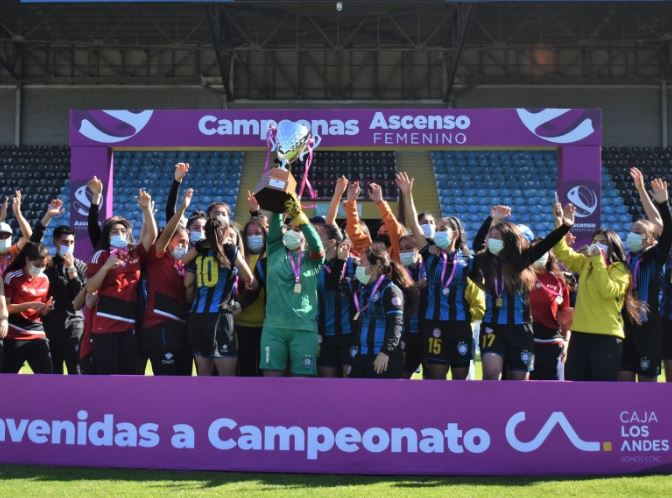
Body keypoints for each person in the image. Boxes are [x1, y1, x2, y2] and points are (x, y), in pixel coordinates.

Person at [470, 204, 573, 381]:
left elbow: (545, 244)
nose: (491, 239)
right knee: (491, 373)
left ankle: (514, 409)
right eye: (491, 236)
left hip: (521, 329)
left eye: (497, 236)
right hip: (492, 327)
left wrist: (565, 225)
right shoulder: (484, 261)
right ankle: (488, 408)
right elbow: (477, 243)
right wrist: (492, 219)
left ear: (508, 240)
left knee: (519, 380)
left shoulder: (520, 262)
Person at [397, 172, 482, 381]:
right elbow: (415, 226)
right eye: (438, 228)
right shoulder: (430, 255)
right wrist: (407, 195)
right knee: (435, 378)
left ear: (455, 233)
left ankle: (460, 414)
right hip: (433, 323)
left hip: (460, 324)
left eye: (443, 228)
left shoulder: (468, 260)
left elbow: (485, 285)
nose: (439, 231)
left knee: (461, 380)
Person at [552, 203, 645, 381]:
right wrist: (560, 224)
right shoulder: (586, 263)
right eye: (594, 241)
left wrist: (598, 260)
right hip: (580, 334)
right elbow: (562, 253)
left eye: (602, 242)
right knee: (576, 385)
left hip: (606, 337)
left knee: (601, 390)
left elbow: (607, 291)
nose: (596, 245)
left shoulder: (620, 269)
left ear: (613, 246)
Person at [86, 188, 157, 374]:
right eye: (114, 231)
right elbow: (91, 286)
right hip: (105, 324)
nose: (119, 234)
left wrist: (146, 209)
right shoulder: (101, 255)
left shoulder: (134, 253)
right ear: (107, 236)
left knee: (127, 374)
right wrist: (106, 266)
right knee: (106, 375)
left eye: (123, 231)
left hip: (129, 322)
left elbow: (152, 235)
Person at [259, 197, 324, 377]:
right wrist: (279, 202)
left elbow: (317, 244)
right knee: (271, 381)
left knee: (303, 383)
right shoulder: (275, 251)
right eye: (290, 228)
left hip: (304, 329)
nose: (292, 232)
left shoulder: (314, 260)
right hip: (274, 328)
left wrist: (299, 215)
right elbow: (274, 227)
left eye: (297, 229)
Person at [619, 170, 672, 382]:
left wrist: (663, 204)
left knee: (651, 378)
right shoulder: (625, 259)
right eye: (632, 231)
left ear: (651, 240)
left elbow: (664, 229)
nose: (632, 235)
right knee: (623, 376)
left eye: (639, 232)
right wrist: (641, 189)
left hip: (652, 322)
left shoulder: (656, 256)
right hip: (627, 323)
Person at [185, 217, 253, 376]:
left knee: (203, 373)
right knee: (226, 376)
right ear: (223, 232)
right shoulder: (229, 249)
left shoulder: (199, 251)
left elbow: (187, 282)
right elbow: (248, 278)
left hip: (196, 316)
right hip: (219, 317)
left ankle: (204, 402)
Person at [331, 241, 407, 379]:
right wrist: (340, 260)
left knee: (381, 400)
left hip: (382, 357)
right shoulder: (359, 286)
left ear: (375, 267)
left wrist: (386, 352)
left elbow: (396, 323)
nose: (358, 266)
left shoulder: (390, 290)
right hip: (361, 356)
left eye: (362, 263)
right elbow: (334, 285)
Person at [30, 198, 87, 375]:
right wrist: (48, 216)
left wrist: (71, 270)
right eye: (64, 242)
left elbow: (79, 297)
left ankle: (78, 402)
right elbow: (33, 243)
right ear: (55, 243)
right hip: (51, 325)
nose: (68, 246)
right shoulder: (48, 263)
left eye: (71, 242)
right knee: (53, 371)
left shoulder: (81, 266)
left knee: (75, 370)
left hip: (74, 326)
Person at [141, 188, 194, 376]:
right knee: (166, 379)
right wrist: (182, 209)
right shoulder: (159, 256)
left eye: (187, 242)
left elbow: (187, 297)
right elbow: (166, 233)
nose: (184, 246)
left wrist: (189, 287)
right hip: (159, 325)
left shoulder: (186, 264)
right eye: (180, 241)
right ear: (169, 242)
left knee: (185, 378)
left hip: (181, 326)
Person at [2, 242, 54, 374]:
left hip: (37, 333)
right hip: (14, 334)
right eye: (37, 265)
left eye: (44, 266)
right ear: (27, 260)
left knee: (47, 377)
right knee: (7, 378)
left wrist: (45, 309)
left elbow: (39, 310)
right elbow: (5, 308)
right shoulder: (12, 276)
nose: (41, 269)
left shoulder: (45, 279)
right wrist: (30, 304)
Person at [317, 223, 358, 377]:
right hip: (325, 335)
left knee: (350, 386)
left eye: (318, 236)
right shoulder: (315, 265)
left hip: (349, 334)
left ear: (331, 242)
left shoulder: (354, 265)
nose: (312, 239)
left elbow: (333, 286)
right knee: (327, 386)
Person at [234, 192, 268, 376]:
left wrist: (256, 214)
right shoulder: (239, 257)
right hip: (241, 324)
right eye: (248, 234)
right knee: (246, 370)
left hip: (265, 325)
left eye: (257, 233)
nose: (253, 236)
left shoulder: (269, 256)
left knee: (265, 371)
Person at [528, 240, 571, 380]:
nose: (539, 253)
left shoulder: (559, 281)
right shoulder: (519, 277)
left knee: (554, 394)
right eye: (535, 249)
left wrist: (566, 341)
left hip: (552, 343)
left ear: (549, 254)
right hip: (525, 341)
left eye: (543, 250)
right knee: (523, 393)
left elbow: (565, 316)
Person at [344, 179, 405, 263]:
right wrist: (351, 202)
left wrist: (380, 202)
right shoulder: (370, 251)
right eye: (379, 232)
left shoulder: (399, 253)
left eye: (386, 232)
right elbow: (354, 231)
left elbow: (394, 227)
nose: (381, 234)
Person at [397, 234, 427, 378]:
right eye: (401, 249)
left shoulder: (430, 268)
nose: (404, 252)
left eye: (409, 248)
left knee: (432, 377)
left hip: (427, 331)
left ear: (419, 249)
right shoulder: (397, 274)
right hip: (406, 332)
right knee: (403, 375)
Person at [0, 191, 33, 276]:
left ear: (11, 237)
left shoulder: (13, 251)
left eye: (6, 235)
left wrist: (18, 214)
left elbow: (29, 238)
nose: (3, 238)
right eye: (0, 236)